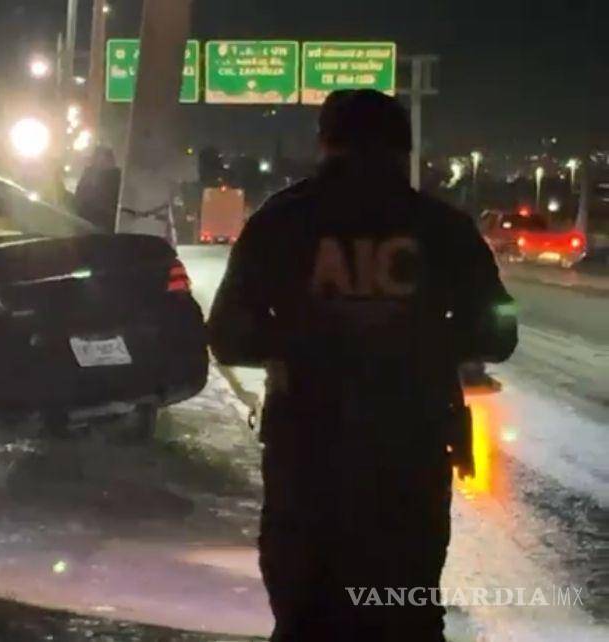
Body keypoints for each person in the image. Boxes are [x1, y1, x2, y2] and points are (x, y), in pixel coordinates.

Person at [207, 89, 518, 641]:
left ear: (326, 144)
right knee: (407, 614)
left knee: (305, 616)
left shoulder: (282, 221)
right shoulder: (442, 227)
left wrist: (307, 340)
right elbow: (498, 333)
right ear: (403, 150)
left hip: (307, 458)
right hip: (411, 457)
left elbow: (228, 336)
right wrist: (420, 342)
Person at [74, 146, 122, 231]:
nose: (100, 163)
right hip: (88, 226)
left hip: (100, 228)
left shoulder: (116, 180)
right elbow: (79, 199)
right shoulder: (88, 175)